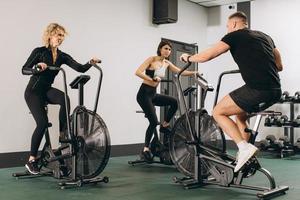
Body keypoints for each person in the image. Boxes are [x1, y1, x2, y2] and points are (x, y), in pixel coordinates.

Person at [180, 11, 283, 172]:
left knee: (218, 112)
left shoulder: (234, 36)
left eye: (227, 26)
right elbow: (279, 66)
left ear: (234, 24)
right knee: (240, 116)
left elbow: (208, 55)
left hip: (257, 89)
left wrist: (188, 57)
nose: (227, 29)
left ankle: (244, 148)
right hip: (275, 90)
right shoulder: (265, 37)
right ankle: (247, 157)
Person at [22, 23, 100, 174]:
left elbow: (80, 68)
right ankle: (31, 160)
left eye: (62, 36)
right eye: (58, 35)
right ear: (50, 35)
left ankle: (63, 133)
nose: (60, 38)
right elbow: (24, 69)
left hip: (46, 90)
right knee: (42, 123)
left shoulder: (62, 56)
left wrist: (90, 63)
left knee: (64, 98)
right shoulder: (39, 52)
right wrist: (36, 68)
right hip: (33, 92)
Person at [135, 40, 197, 162]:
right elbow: (137, 72)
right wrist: (152, 78)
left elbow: (180, 71)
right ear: (160, 49)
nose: (167, 51)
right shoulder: (151, 59)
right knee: (153, 122)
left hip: (153, 94)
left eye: (169, 49)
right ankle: (146, 149)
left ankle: (165, 124)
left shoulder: (167, 63)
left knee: (174, 102)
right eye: (165, 48)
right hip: (143, 95)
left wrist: (194, 73)